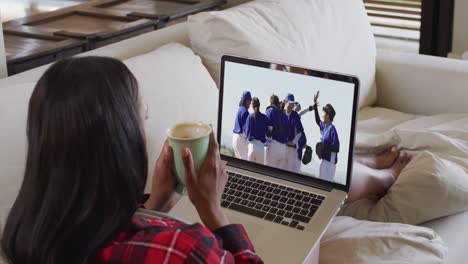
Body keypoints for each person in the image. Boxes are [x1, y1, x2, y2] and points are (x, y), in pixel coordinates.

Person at [0, 57, 263, 264]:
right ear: (122, 140)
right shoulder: (184, 250)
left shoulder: (24, 236)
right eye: (143, 118)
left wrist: (154, 205)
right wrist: (213, 210)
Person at [312, 91, 340, 182]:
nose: (322, 115)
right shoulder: (325, 127)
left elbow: (336, 147)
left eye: (323, 113)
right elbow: (317, 121)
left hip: (330, 164)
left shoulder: (332, 129)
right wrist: (315, 105)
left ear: (327, 115)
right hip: (324, 162)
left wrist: (324, 147)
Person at [244, 97, 272, 164]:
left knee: (248, 169)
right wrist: (268, 134)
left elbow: (246, 131)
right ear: (259, 105)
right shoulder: (264, 117)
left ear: (252, 106)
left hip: (252, 145)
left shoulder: (250, 117)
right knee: (259, 172)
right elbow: (271, 128)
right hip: (261, 147)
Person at [265, 94, 288, 169]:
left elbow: (269, 128)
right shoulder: (284, 114)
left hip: (274, 145)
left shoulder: (270, 110)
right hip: (283, 148)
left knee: (267, 173)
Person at [284, 94, 304, 172]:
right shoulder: (281, 113)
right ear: (285, 102)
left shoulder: (295, 115)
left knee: (289, 171)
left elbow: (300, 132)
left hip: (291, 148)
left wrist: (293, 142)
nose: (291, 105)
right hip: (282, 146)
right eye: (290, 103)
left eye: (292, 104)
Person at [233, 91, 252, 160]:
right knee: (245, 163)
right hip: (241, 139)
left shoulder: (240, 109)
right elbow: (246, 130)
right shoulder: (245, 111)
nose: (250, 102)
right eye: (249, 100)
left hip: (235, 137)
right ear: (246, 100)